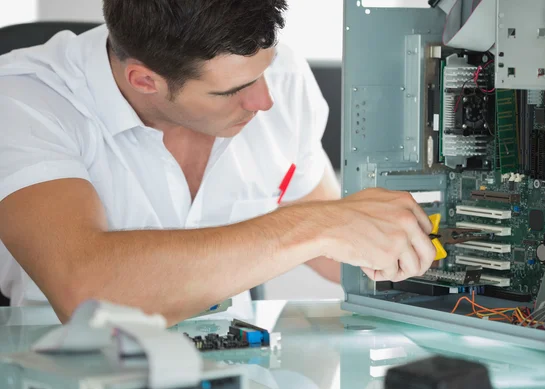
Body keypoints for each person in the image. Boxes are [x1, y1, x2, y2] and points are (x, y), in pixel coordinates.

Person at [0, 0, 435, 326]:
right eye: (232, 91)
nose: (263, 100)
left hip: (238, 362)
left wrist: (411, 239)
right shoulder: (24, 101)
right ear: (144, 81)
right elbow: (86, 289)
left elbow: (333, 248)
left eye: (266, 70)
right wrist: (315, 226)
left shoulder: (281, 80)